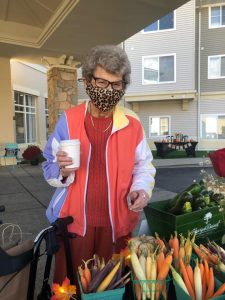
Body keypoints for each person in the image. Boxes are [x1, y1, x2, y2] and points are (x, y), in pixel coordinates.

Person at [42, 44, 156, 285]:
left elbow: (144, 166)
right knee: (69, 287)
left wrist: (142, 189)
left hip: (116, 226)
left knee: (110, 287)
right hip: (73, 224)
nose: (109, 90)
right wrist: (61, 171)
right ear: (87, 81)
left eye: (116, 85)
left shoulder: (132, 124)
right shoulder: (69, 120)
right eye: (102, 83)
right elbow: (49, 167)